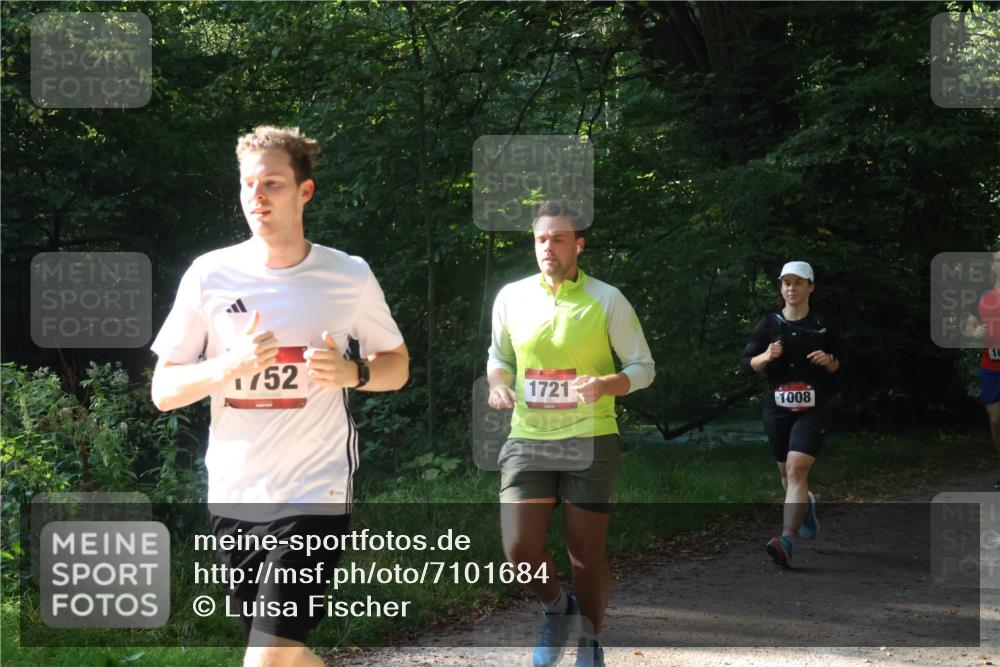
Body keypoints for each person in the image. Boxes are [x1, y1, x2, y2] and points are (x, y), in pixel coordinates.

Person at [150, 126, 409, 667]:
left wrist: (353, 372)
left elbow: (397, 367)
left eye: (272, 183)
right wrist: (229, 365)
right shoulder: (209, 275)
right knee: (282, 652)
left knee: (264, 659)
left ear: (304, 192)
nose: (257, 196)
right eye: (248, 185)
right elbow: (164, 391)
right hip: (235, 489)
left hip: (315, 489)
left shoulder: (348, 275)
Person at [486, 201, 655, 667]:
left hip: (591, 436)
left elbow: (643, 368)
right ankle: (557, 609)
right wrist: (499, 385)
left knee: (585, 550)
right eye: (541, 238)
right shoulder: (511, 297)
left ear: (578, 244)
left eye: (558, 238)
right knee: (519, 549)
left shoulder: (607, 298)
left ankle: (590, 640)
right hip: (528, 438)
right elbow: (497, 358)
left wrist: (606, 384)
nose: (548, 247)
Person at [738, 261, 841, 568]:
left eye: (798, 283)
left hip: (813, 408)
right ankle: (805, 505)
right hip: (777, 408)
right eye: (786, 283)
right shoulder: (769, 324)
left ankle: (786, 540)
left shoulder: (824, 324)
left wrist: (830, 360)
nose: (791, 289)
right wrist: (765, 356)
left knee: (796, 470)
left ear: (810, 287)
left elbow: (843, 363)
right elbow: (745, 364)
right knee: (787, 476)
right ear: (781, 288)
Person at [963, 249, 1000, 489]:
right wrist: (973, 332)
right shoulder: (983, 294)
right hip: (991, 365)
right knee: (996, 421)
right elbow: (969, 324)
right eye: (998, 259)